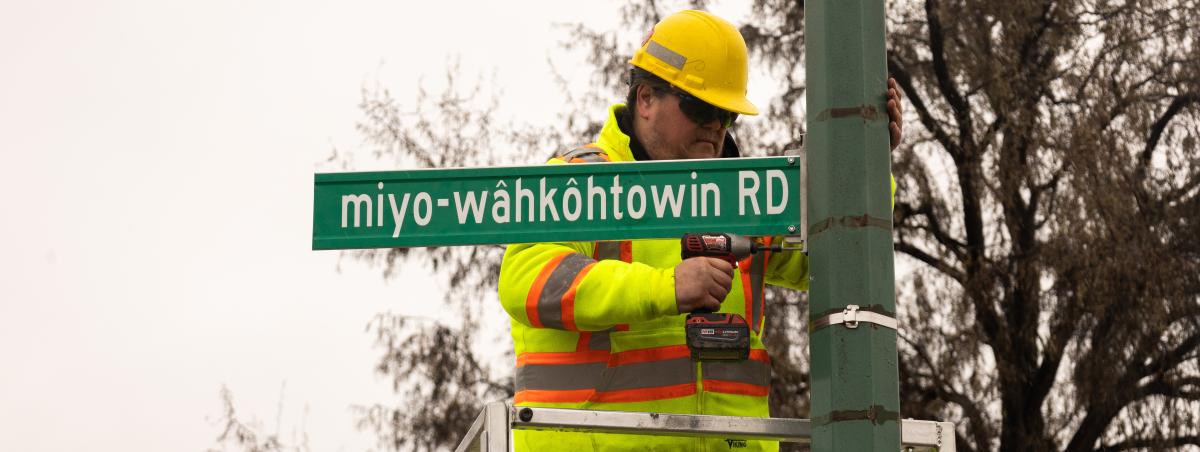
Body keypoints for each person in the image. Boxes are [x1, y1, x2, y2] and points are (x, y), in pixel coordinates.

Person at [497, 9, 903, 452]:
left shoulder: (746, 196)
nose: (715, 124)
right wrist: (666, 288)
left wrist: (865, 162)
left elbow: (835, 259)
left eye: (728, 115)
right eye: (700, 106)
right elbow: (528, 281)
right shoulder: (583, 181)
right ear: (646, 99)